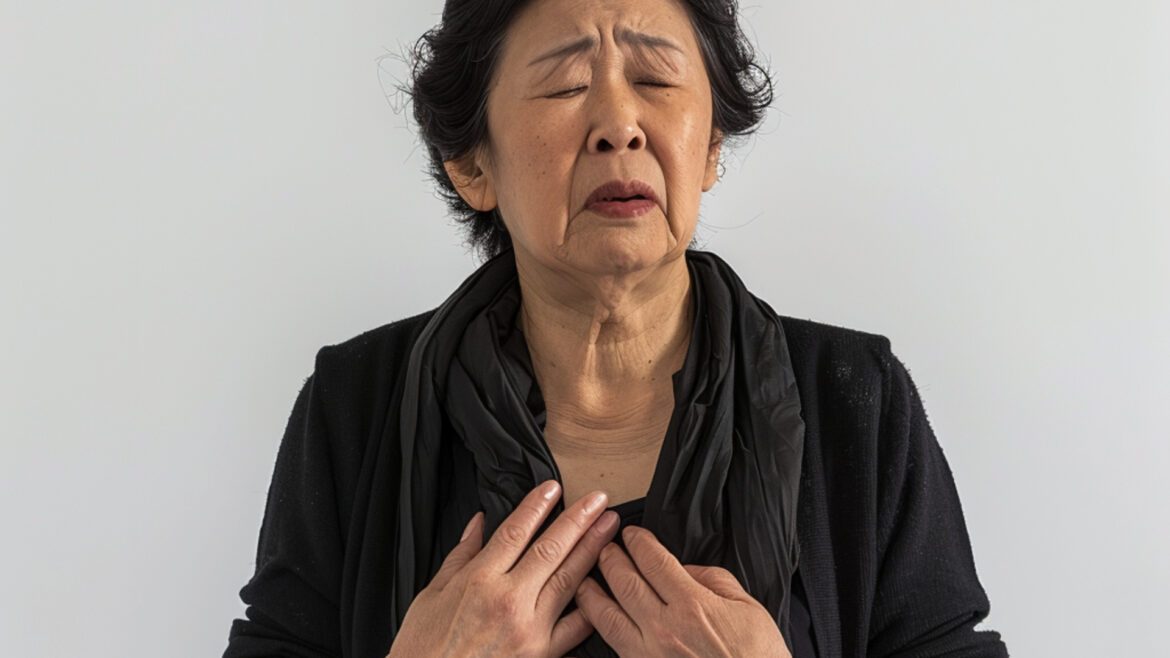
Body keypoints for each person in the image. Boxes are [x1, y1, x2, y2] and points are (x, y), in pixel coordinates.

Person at [223, 0, 1008, 656]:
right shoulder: (355, 407)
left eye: (656, 78)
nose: (619, 125)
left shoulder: (854, 402)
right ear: (473, 164)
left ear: (711, 146)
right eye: (565, 85)